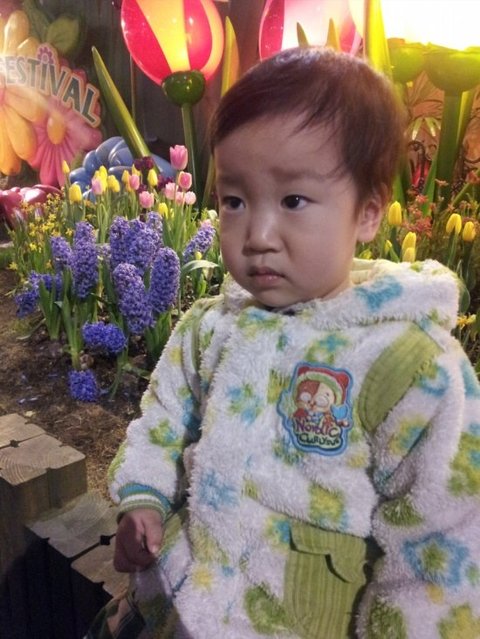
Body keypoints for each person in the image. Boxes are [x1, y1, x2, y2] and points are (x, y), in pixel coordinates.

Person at [87, 47, 480, 639]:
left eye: (293, 200)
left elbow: (439, 547)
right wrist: (142, 498)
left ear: (368, 213)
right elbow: (161, 421)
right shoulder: (209, 327)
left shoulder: (409, 367)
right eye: (235, 201)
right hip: (176, 600)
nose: (259, 235)